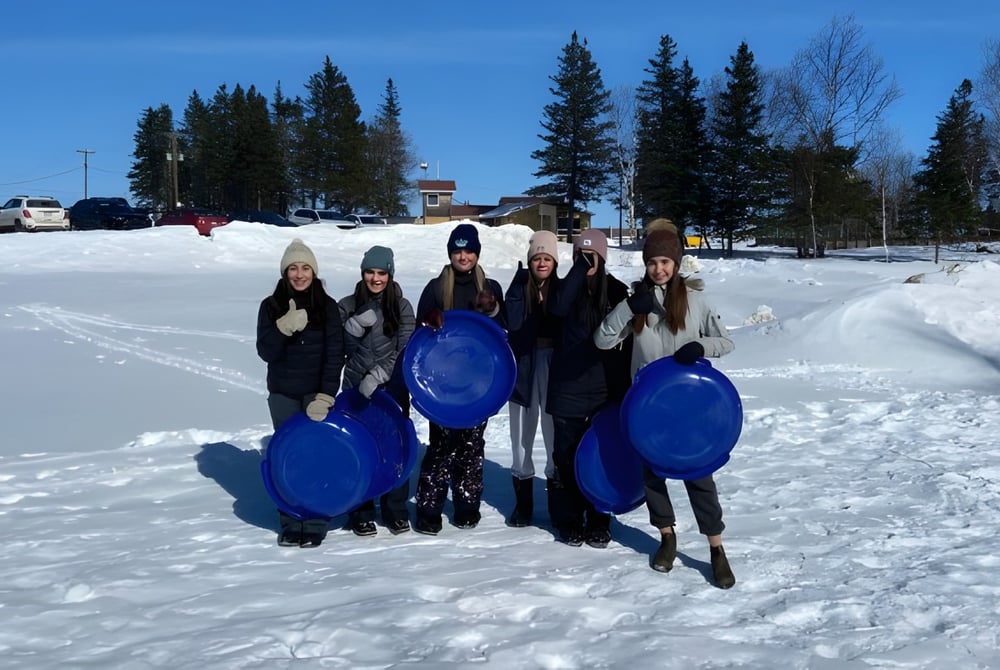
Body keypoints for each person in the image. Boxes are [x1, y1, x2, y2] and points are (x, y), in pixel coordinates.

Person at [593, 219, 737, 588]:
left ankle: (716, 548)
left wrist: (700, 346)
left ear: (676, 263)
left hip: (689, 409)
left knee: (699, 478)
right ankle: (667, 537)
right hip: (647, 410)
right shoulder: (636, 303)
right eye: (652, 262)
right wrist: (628, 308)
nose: (659, 269)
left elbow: (726, 342)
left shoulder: (695, 301)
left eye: (665, 262)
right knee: (653, 477)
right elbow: (602, 340)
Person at [412, 223, 505, 535]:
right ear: (450, 253)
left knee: (470, 446)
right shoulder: (436, 287)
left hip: (479, 384)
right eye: (457, 251)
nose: (463, 256)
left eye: (468, 251)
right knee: (440, 446)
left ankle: (467, 505)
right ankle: (429, 509)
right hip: (442, 383)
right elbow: (418, 339)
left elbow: (504, 335)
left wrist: (492, 310)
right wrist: (428, 321)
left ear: (477, 253)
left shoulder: (489, 287)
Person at [256, 238, 345, 548]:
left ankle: (316, 518)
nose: (299, 274)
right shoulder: (270, 306)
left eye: (305, 268)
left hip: (314, 396)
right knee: (288, 458)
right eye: (293, 268)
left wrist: (326, 395)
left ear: (314, 272)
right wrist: (282, 328)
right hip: (283, 394)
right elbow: (265, 352)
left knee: (317, 456)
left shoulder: (328, 307)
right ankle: (292, 519)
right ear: (285, 273)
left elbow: (335, 355)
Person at [546, 229, 631, 548]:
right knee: (566, 458)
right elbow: (556, 309)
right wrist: (580, 269)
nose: (586, 260)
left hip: (604, 389)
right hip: (567, 388)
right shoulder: (564, 289)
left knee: (600, 456)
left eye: (592, 255)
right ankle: (568, 520)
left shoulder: (616, 291)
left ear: (603, 258)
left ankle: (598, 519)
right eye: (580, 255)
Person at [338, 245, 416, 537]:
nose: (375, 278)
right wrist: (354, 326)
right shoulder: (347, 304)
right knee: (360, 446)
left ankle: (395, 509)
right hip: (355, 387)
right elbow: (341, 349)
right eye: (370, 272)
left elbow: (405, 348)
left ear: (390, 274)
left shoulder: (402, 307)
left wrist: (380, 374)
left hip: (391, 387)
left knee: (394, 446)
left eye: (381, 272)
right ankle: (361, 511)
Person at [503, 230, 561, 527]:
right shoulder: (519, 287)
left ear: (555, 262)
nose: (542, 263)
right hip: (524, 363)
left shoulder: (562, 288)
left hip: (553, 363)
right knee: (521, 434)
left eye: (547, 258)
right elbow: (512, 322)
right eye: (537, 258)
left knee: (554, 431)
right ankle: (523, 502)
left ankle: (557, 500)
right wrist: (520, 288)